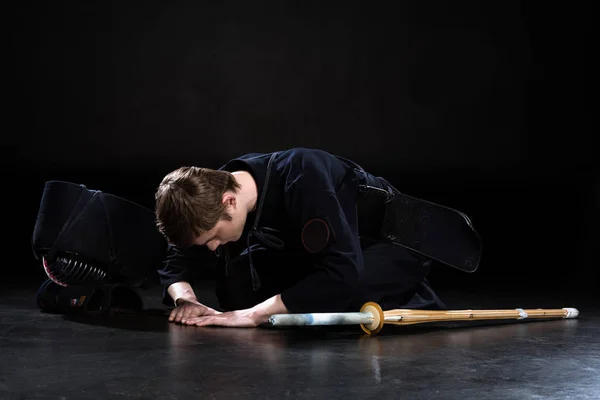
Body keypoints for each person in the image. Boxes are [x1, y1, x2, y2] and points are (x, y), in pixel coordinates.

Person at [154, 148, 447, 328]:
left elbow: (342, 273)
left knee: (336, 289)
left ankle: (411, 293)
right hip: (324, 253)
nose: (213, 247)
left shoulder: (302, 175)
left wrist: (254, 315)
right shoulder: (207, 191)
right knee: (238, 291)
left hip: (397, 244)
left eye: (213, 237)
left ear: (229, 201)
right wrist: (185, 301)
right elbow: (177, 259)